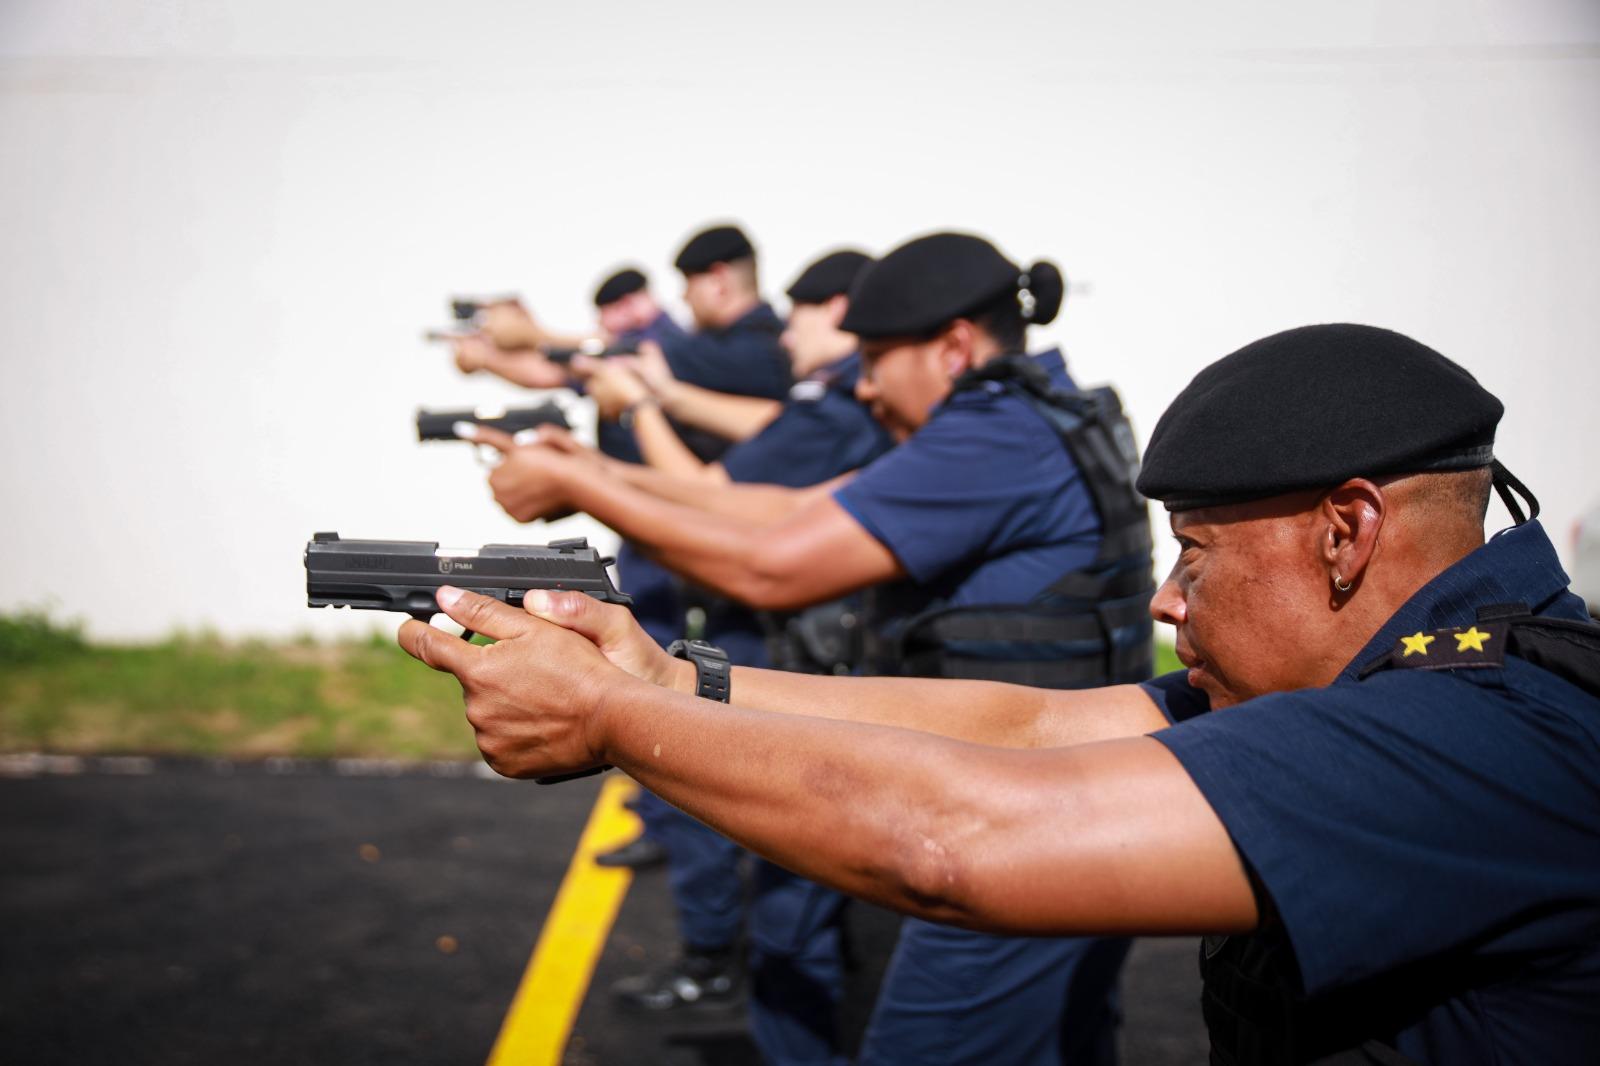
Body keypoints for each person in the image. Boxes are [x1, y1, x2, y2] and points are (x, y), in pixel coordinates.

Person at [400, 323, 1600, 1065]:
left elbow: (959, 842)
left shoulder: (1473, 729)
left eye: (1196, 554)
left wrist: (611, 718)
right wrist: (675, 681)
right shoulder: (1399, 678)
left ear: (1347, 531)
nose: (1167, 600)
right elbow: (1028, 725)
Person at [481, 232, 1152, 1064]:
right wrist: (597, 471)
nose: (863, 387)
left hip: (1012, 819)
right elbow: (788, 508)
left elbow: (770, 566)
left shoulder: (990, 437)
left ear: (953, 347)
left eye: (874, 359)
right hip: (1063, 796)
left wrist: (583, 488)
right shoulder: (1041, 414)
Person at [480, 250, 894, 1060]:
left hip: (805, 651)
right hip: (815, 653)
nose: (787, 333)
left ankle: (731, 975)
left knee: (782, 881)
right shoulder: (829, 396)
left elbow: (739, 515)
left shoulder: (830, 396)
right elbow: (764, 496)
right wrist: (598, 460)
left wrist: (605, 454)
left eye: (804, 315)